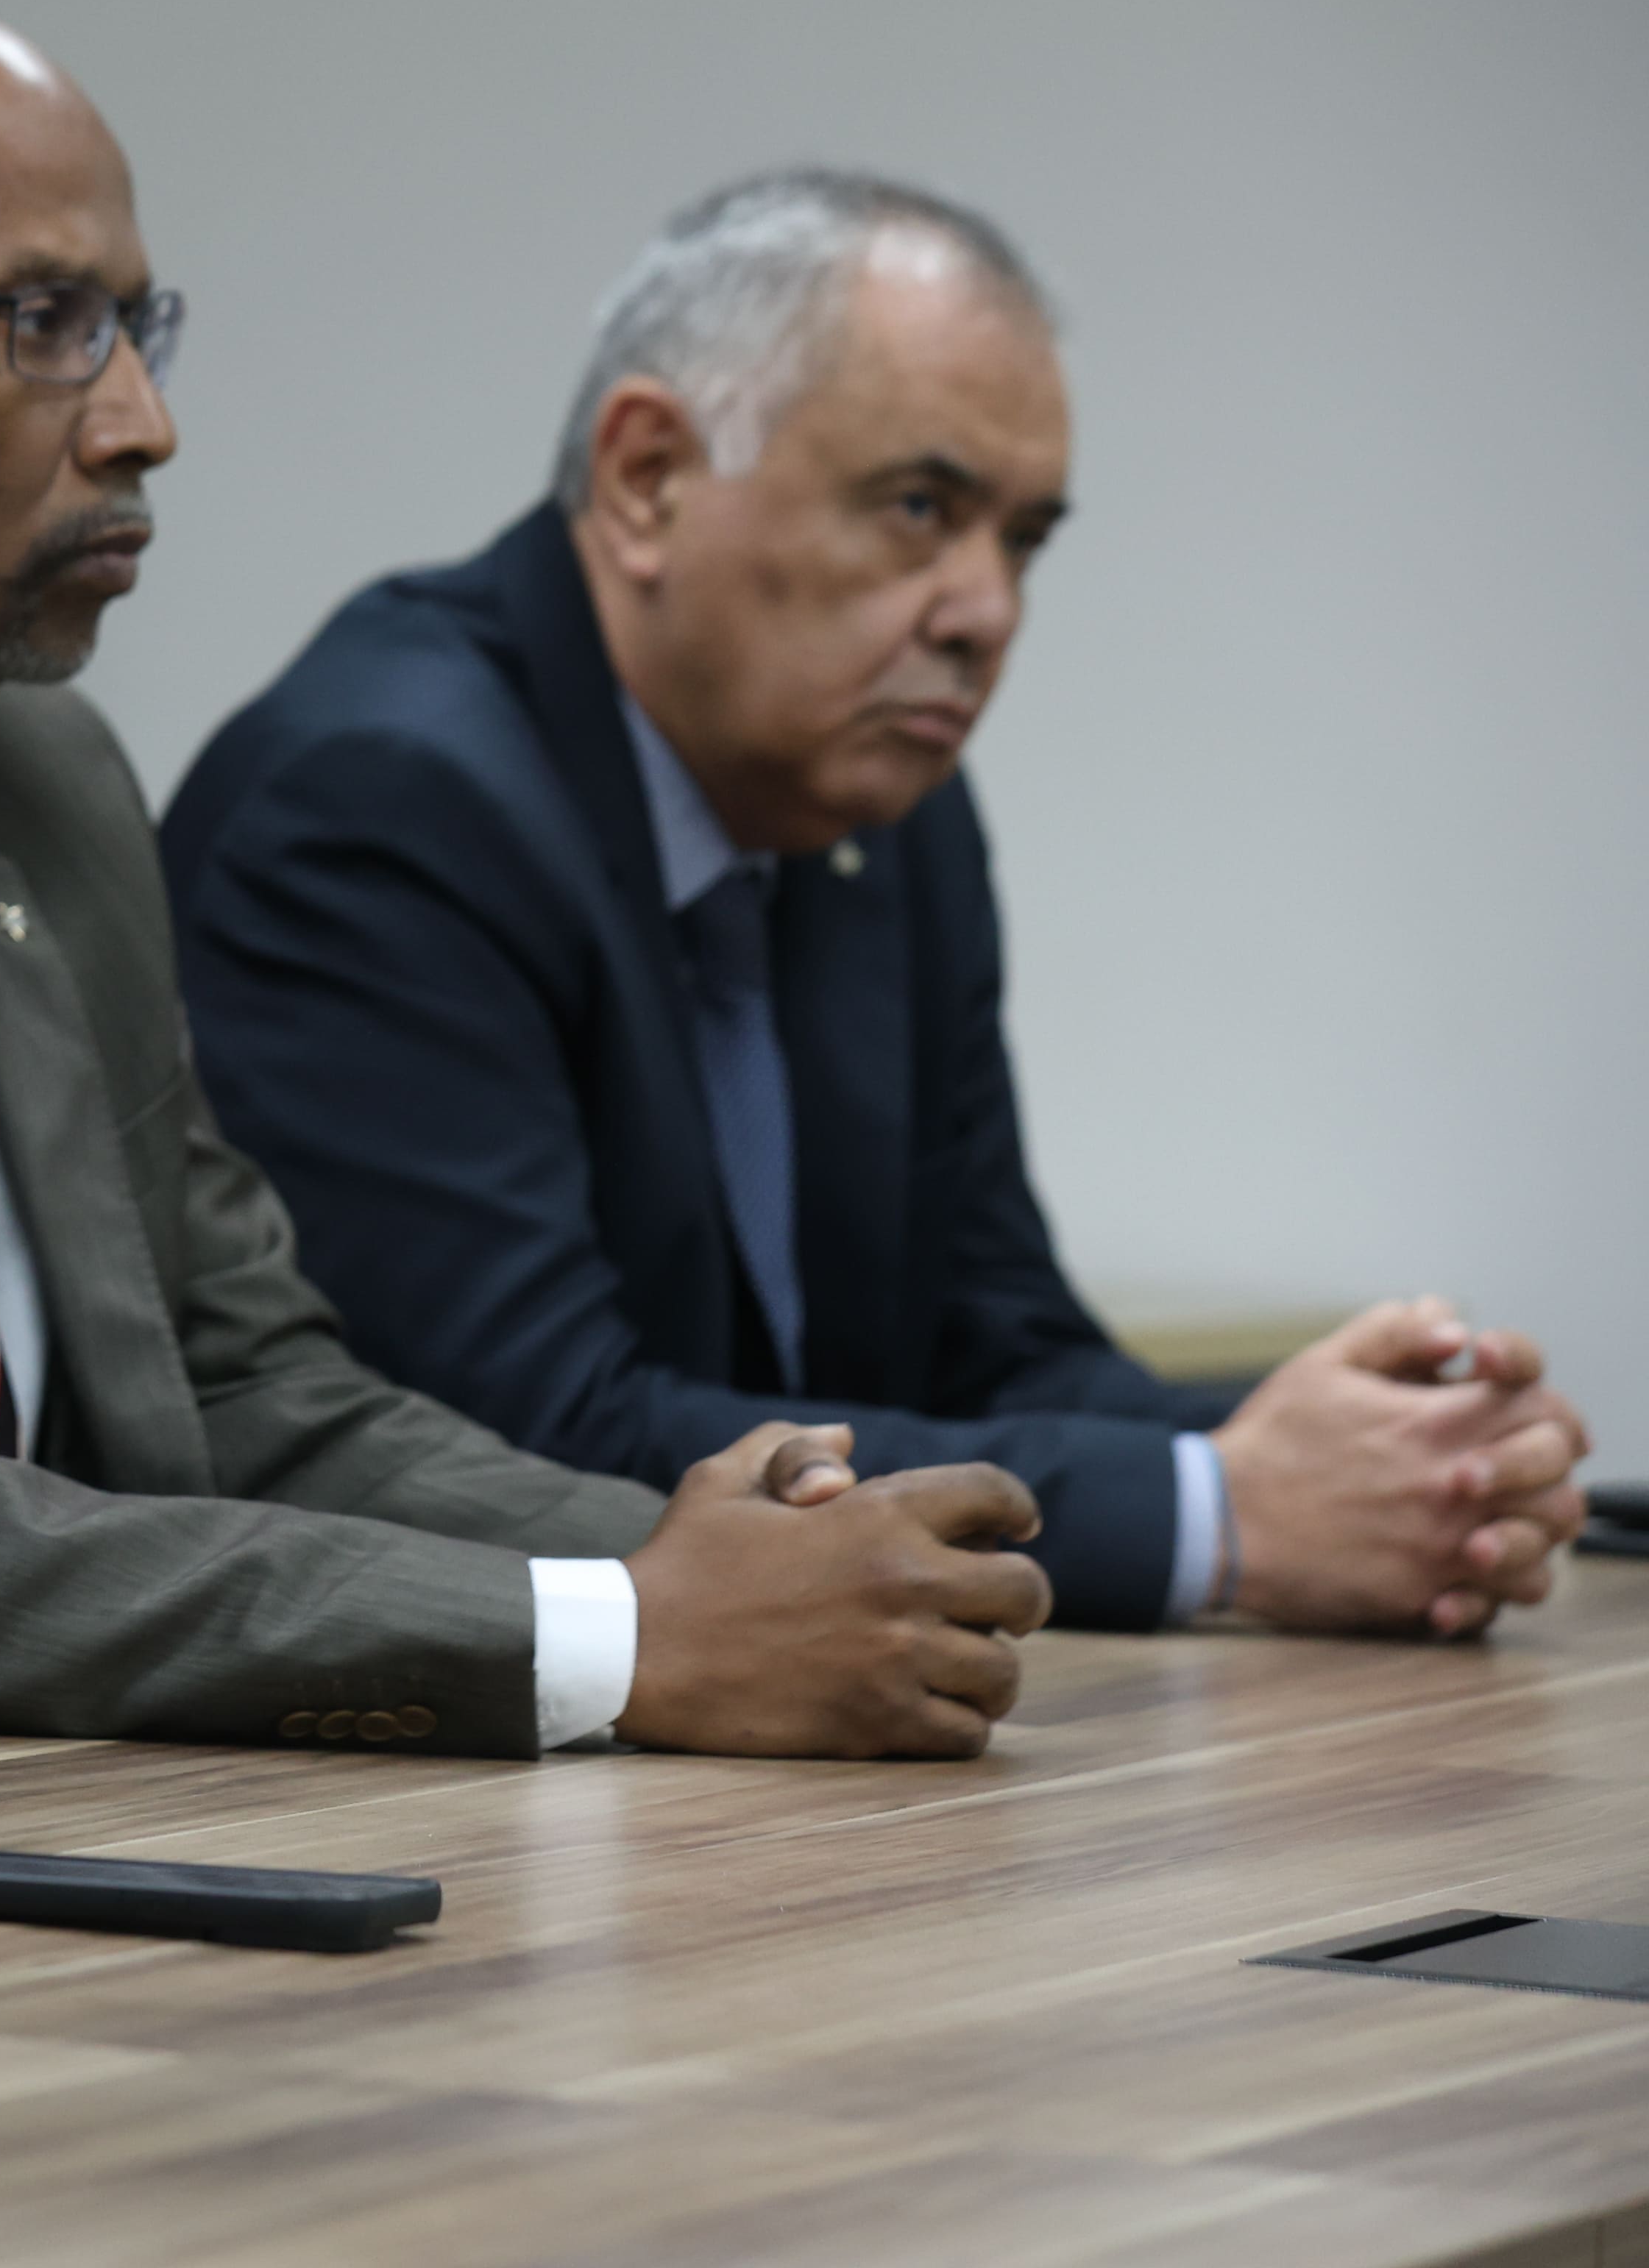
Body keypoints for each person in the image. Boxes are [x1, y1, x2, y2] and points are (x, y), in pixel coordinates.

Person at [0, 0, 1050, 1759]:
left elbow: (249, 1380)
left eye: (136, 326)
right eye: (40, 322)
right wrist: (611, 1632)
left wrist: (709, 1560)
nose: (140, 423)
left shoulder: (46, 781)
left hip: (95, 1807)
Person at [160, 168, 1588, 1636]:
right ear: (649, 475)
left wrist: (1367, 1457)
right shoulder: (382, 799)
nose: (986, 610)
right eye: (921, 507)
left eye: (1022, 538)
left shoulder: (877, 809)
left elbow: (991, 1348)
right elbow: (516, 1437)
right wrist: (1220, 1517)